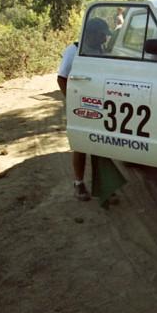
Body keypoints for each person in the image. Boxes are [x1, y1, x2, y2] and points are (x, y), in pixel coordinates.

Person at [57, 17, 111, 201]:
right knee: (81, 145)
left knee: (101, 144)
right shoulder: (73, 51)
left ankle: (104, 187)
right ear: (92, 34)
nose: (105, 39)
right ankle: (78, 183)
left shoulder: (99, 50)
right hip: (80, 105)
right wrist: (72, 101)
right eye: (103, 35)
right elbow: (62, 78)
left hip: (98, 104)